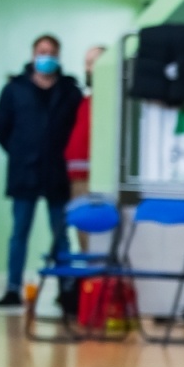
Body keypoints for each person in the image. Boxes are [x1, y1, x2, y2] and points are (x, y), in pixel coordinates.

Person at [0, 34, 82, 309]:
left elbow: (77, 129)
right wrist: (18, 151)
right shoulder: (14, 89)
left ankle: (66, 289)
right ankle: (12, 288)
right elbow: (0, 126)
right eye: (42, 52)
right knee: (19, 232)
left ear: (58, 56)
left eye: (51, 52)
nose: (46, 57)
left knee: (60, 234)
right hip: (24, 172)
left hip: (57, 171)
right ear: (33, 55)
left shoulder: (70, 91)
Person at [65, 46, 105, 251]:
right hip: (77, 177)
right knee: (82, 236)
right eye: (86, 63)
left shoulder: (109, 102)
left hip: (94, 179)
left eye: (92, 63)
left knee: (95, 239)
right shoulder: (85, 101)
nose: (88, 69)